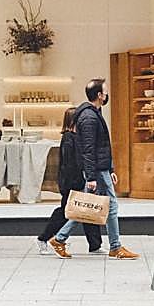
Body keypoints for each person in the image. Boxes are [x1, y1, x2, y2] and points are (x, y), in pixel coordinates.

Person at [72, 78, 139, 259]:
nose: (107, 95)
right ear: (99, 95)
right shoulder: (89, 117)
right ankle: (116, 247)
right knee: (110, 205)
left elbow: (101, 147)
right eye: (105, 92)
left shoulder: (94, 114)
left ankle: (60, 238)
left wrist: (110, 169)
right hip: (97, 171)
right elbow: (88, 149)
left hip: (101, 169)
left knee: (85, 206)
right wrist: (92, 177)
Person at [40, 107, 103, 257]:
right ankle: (44, 238)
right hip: (72, 181)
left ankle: (95, 244)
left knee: (87, 209)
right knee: (67, 212)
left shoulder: (74, 137)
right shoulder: (69, 138)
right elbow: (70, 164)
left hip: (76, 180)